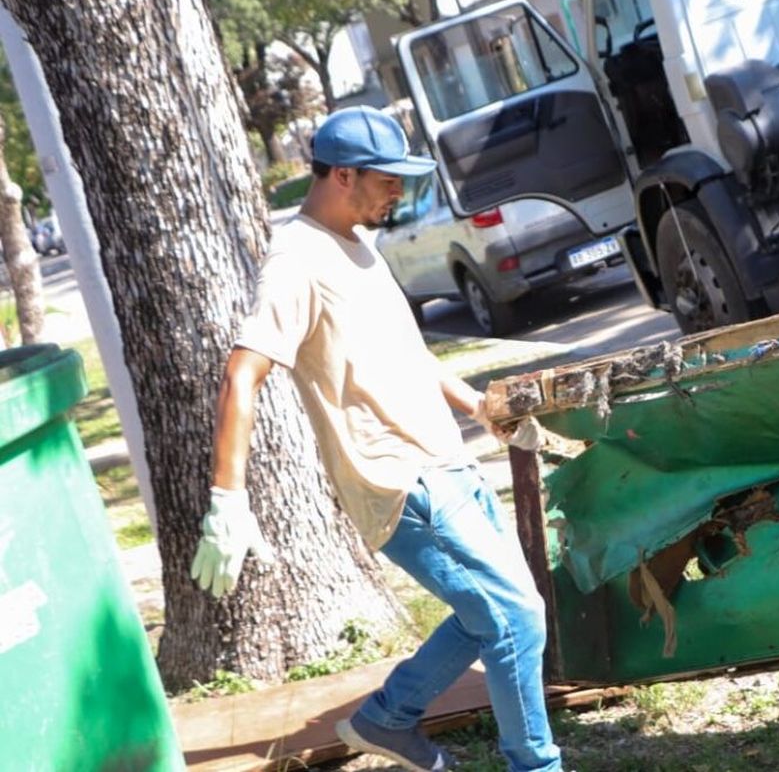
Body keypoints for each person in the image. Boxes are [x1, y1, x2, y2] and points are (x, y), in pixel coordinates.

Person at [190, 106, 560, 772]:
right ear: (342, 174)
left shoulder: (359, 244)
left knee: (489, 617)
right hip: (400, 482)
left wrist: (476, 404)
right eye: (388, 180)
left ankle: (387, 719)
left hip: (449, 464)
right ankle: (536, 764)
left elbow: (408, 353)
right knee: (517, 617)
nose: (399, 193)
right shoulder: (296, 262)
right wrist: (227, 499)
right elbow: (241, 374)